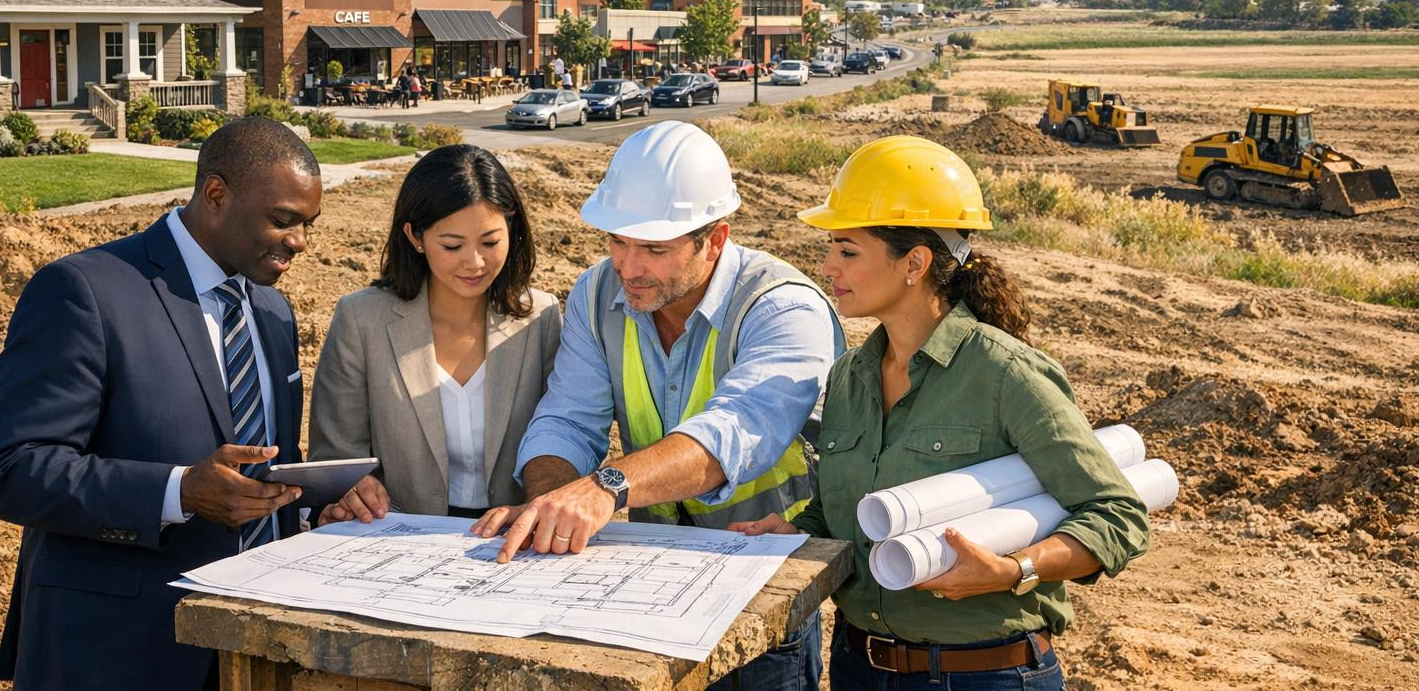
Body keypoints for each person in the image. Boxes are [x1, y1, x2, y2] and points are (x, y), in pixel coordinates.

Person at [733, 135, 1151, 689]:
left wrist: (1013, 570)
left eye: (847, 250)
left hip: (984, 675)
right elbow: (852, 512)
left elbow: (1117, 515)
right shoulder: (850, 375)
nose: (827, 266)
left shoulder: (1006, 375)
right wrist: (793, 530)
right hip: (861, 667)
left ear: (915, 262)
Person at [472, 121, 845, 691]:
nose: (628, 267)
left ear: (714, 240)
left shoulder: (782, 308)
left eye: (655, 249)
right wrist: (548, 507)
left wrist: (602, 489)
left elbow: (733, 432)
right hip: (650, 590)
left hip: (759, 588)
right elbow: (567, 419)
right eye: (617, 241)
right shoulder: (598, 294)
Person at [0, 117, 322, 691]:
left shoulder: (271, 311)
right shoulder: (84, 291)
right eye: (283, 220)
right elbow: (12, 471)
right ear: (216, 194)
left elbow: (259, 459)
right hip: (115, 651)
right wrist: (178, 491)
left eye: (308, 225)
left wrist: (313, 500)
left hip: (250, 650)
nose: (299, 242)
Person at [310, 144, 561, 521]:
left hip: (514, 541)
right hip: (396, 540)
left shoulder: (541, 317)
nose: (474, 262)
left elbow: (564, 435)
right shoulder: (361, 319)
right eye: (452, 245)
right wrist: (353, 490)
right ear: (414, 236)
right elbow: (337, 459)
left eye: (491, 242)